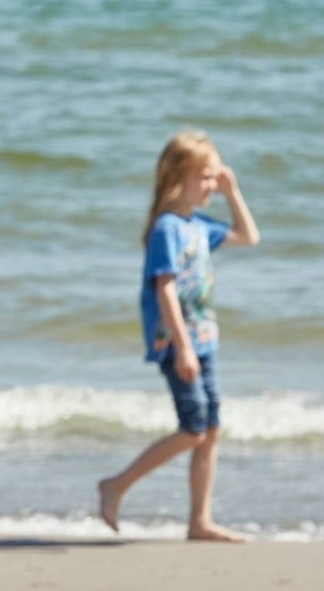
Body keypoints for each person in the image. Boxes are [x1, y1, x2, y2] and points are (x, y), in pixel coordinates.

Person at [97, 130, 262, 541]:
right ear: (179, 178)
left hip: (204, 340)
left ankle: (199, 520)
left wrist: (231, 191)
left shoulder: (198, 226)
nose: (211, 183)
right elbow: (164, 287)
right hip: (176, 344)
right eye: (204, 177)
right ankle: (117, 484)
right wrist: (183, 347)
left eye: (213, 176)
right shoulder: (167, 229)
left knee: (210, 431)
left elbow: (249, 236)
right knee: (193, 429)